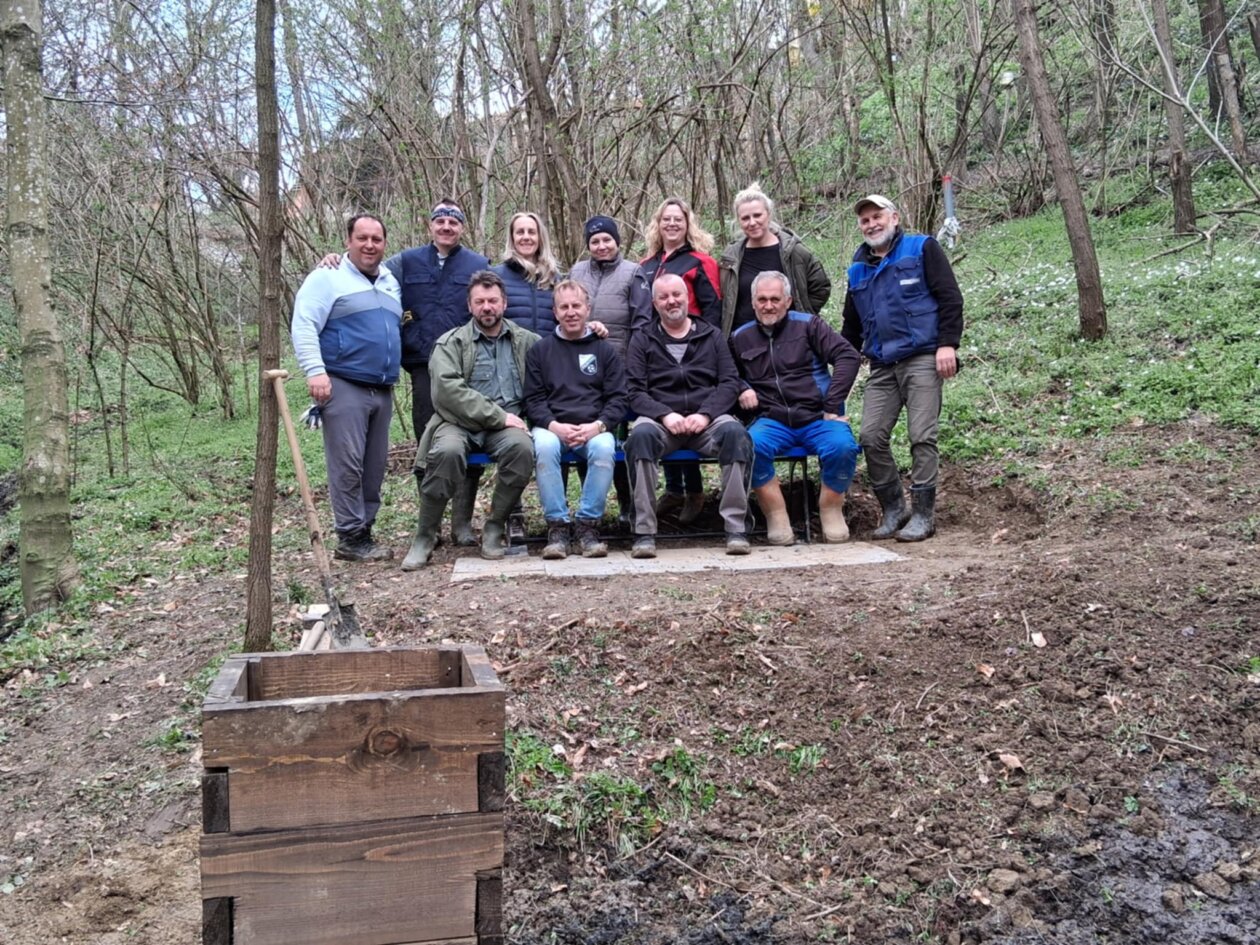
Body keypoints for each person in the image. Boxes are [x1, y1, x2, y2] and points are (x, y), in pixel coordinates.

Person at [320, 199, 490, 546]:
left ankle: (462, 522)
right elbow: (366, 269)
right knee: (427, 444)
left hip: (467, 367)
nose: (446, 226)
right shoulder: (404, 262)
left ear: (462, 227)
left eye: (453, 221)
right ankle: (430, 524)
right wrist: (333, 259)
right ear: (430, 226)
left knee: (470, 442)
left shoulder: (478, 264)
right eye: (439, 220)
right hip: (422, 365)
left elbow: (493, 299)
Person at [841, 194, 964, 542]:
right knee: (870, 437)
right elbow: (851, 327)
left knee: (921, 436)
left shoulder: (921, 248)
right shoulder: (857, 269)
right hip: (881, 366)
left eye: (877, 216)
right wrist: (839, 368)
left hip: (924, 357)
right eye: (865, 220)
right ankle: (895, 507)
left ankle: (924, 515)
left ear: (894, 217)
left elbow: (950, 297)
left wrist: (947, 344)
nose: (871, 224)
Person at [401, 271, 539, 569]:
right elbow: (448, 392)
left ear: (504, 303)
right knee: (446, 453)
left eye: (492, 301)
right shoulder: (450, 343)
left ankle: (494, 527)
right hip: (457, 422)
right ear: (469, 305)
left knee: (522, 450)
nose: (486, 307)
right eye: (480, 301)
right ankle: (424, 536)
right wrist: (498, 416)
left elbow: (551, 370)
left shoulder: (527, 342)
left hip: (506, 427)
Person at [291, 213, 403, 562]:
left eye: (376, 239)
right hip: (343, 384)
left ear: (385, 243)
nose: (369, 245)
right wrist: (315, 371)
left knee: (373, 466)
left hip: (381, 388)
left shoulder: (389, 281)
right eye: (362, 238)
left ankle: (364, 530)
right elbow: (304, 323)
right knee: (348, 464)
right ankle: (350, 536)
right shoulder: (327, 278)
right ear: (348, 241)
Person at [623, 274, 752, 558]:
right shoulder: (642, 339)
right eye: (664, 297)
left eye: (676, 294)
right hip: (661, 424)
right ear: (655, 303)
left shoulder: (711, 335)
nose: (672, 301)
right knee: (640, 437)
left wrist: (706, 415)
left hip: (706, 422)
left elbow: (729, 382)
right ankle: (644, 532)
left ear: (687, 296)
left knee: (736, 435)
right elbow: (633, 390)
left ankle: (736, 528)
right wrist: (664, 415)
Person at [730, 271, 861, 544]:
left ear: (788, 301)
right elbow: (727, 373)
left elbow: (847, 355)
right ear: (753, 302)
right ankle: (776, 514)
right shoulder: (740, 337)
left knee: (842, 447)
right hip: (772, 419)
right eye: (762, 299)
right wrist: (743, 387)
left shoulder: (809, 326)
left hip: (817, 417)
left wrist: (832, 403)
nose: (768, 306)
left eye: (775, 299)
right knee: (750, 446)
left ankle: (831, 508)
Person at [524, 281, 628, 559]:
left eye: (576, 306)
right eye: (564, 307)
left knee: (605, 448)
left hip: (593, 427)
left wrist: (598, 426)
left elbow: (618, 398)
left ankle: (587, 526)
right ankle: (557, 527)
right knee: (543, 447)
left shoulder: (604, 351)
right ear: (555, 312)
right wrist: (554, 426)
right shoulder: (540, 350)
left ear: (587, 309)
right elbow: (532, 400)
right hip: (552, 427)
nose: (571, 312)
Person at [640, 197, 722, 521]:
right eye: (666, 219)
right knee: (664, 413)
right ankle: (674, 490)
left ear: (688, 224)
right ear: (657, 225)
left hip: (695, 349)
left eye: (678, 219)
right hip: (654, 348)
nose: (672, 224)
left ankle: (694, 491)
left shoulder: (701, 261)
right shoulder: (646, 264)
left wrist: (710, 349)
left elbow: (713, 309)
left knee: (689, 410)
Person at [569, 214, 652, 524]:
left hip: (621, 370)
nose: (601, 245)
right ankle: (594, 505)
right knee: (584, 440)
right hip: (580, 368)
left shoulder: (634, 273)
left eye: (607, 240)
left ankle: (629, 506)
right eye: (595, 241)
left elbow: (643, 323)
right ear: (588, 245)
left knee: (615, 439)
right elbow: (566, 311)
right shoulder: (577, 271)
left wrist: (633, 366)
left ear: (617, 242)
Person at [718, 183, 831, 336]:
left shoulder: (794, 251)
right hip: (743, 341)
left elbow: (821, 287)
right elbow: (725, 298)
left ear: (769, 214)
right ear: (739, 221)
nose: (752, 222)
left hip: (791, 339)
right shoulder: (730, 257)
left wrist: (801, 314)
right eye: (745, 218)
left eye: (757, 215)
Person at [493, 211, 564, 336]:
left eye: (531, 232)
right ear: (512, 238)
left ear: (540, 237)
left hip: (548, 353)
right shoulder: (496, 277)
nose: (526, 237)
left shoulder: (555, 279)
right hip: (509, 354)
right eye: (520, 232)